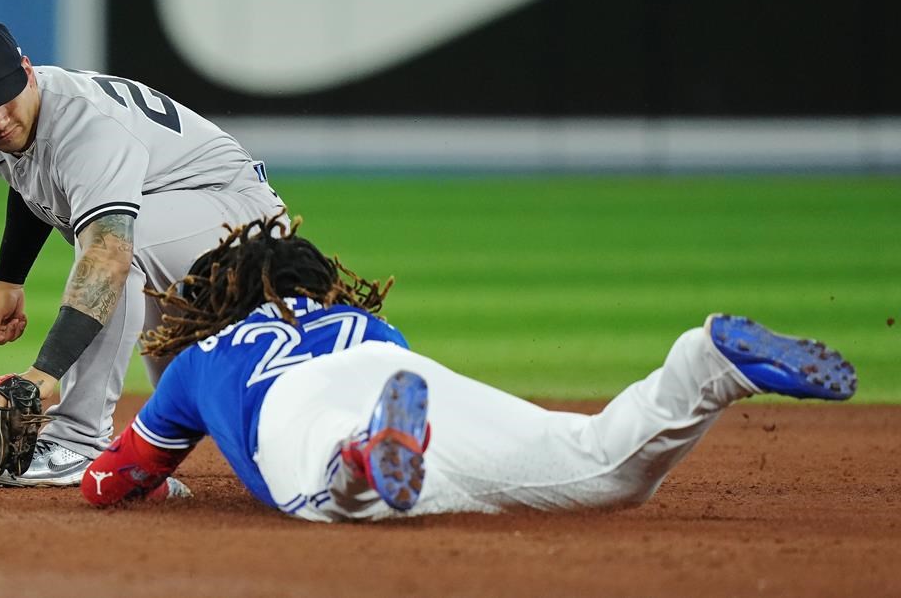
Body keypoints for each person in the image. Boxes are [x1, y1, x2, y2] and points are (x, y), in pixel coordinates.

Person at [79, 214, 857, 521]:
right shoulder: (370, 320)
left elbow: (113, 480)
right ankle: (705, 364)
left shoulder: (200, 359)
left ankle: (359, 458)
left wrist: (126, 470)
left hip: (301, 408)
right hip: (399, 373)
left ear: (220, 301)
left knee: (337, 500)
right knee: (602, 467)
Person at [0, 21, 285, 487]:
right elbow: (31, 182)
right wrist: (8, 281)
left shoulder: (86, 127)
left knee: (117, 251)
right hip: (176, 220)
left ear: (27, 72)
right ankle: (163, 470)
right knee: (184, 387)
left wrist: (45, 373)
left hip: (237, 216)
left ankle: (78, 441)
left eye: (4, 99)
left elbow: (109, 256)